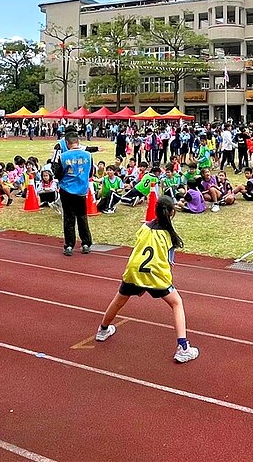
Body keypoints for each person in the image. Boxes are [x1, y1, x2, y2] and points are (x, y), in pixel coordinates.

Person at [95, 198, 199, 364]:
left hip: (134, 270)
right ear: (172, 213)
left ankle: (102, 330)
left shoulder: (144, 227)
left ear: (155, 211)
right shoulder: (169, 235)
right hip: (155, 274)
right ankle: (183, 347)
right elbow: (169, 262)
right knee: (176, 302)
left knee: (118, 300)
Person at [55, 130, 94, 256]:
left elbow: (58, 174)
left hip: (67, 190)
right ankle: (86, 243)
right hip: (82, 190)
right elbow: (90, 173)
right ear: (78, 142)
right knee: (82, 217)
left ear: (67, 143)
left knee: (69, 218)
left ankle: (69, 245)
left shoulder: (63, 156)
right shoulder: (88, 155)